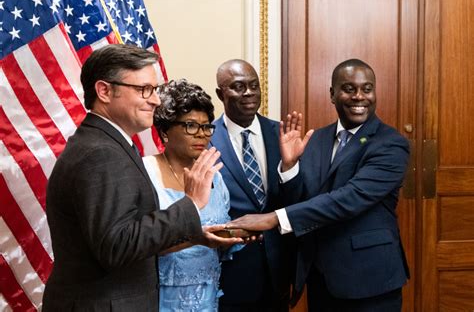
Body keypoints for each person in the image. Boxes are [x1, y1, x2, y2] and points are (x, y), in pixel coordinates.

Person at [43, 44, 240, 311]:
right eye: (144, 89)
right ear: (104, 91)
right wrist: (191, 204)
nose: (156, 100)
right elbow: (117, 246)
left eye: (155, 90)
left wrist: (196, 237)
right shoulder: (101, 152)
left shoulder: (109, 143)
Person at [226, 59, 410, 311]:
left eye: (367, 89)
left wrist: (273, 218)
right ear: (332, 94)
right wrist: (290, 168)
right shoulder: (316, 139)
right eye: (349, 88)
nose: (359, 97)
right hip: (320, 277)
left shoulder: (390, 144)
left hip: (369, 279)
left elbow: (349, 198)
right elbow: (303, 200)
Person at [142, 79, 233, 311]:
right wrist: (195, 238)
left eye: (206, 126)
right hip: (158, 299)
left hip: (208, 297)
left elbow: (220, 232)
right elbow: (135, 244)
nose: (202, 134)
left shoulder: (215, 177)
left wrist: (235, 236)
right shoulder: (145, 173)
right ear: (164, 131)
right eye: (191, 126)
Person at [210, 59, 293, 311]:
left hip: (278, 270)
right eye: (238, 86)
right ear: (220, 94)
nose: (248, 93)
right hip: (231, 273)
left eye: (253, 86)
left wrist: (290, 168)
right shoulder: (205, 139)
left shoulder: (283, 134)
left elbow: (298, 198)